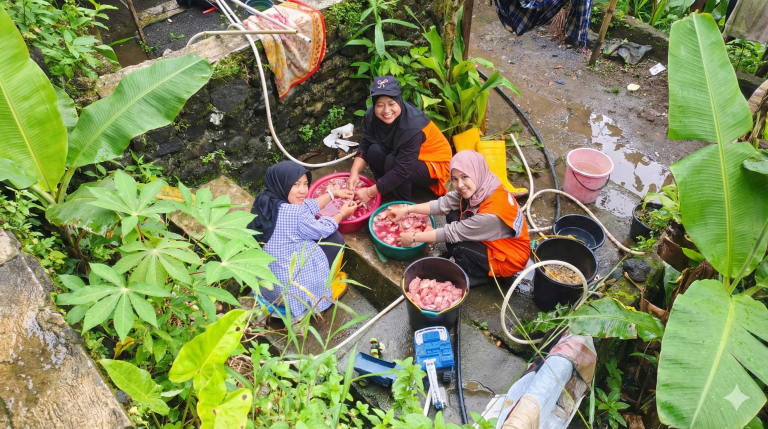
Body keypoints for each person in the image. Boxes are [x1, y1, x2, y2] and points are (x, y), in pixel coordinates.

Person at [387, 151, 531, 285]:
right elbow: (444, 203)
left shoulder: (492, 215)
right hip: (494, 239)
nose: (460, 185)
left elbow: (450, 233)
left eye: (464, 177)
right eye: (454, 179)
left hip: (509, 259)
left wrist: (413, 237)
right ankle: (473, 259)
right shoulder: (484, 184)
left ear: (475, 173)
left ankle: (478, 276)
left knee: (456, 245)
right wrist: (407, 209)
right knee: (453, 215)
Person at [248, 161, 357, 319]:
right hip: (291, 290)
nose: (303, 191)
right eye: (296, 184)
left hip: (267, 285)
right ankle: (322, 290)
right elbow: (323, 229)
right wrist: (342, 213)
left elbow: (305, 206)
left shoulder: (265, 198)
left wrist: (332, 194)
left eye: (305, 184)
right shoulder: (293, 213)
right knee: (335, 239)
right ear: (283, 183)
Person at [347, 76, 452, 202]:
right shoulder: (372, 116)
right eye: (380, 105)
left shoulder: (413, 126)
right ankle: (385, 189)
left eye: (391, 104)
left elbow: (402, 170)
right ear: (374, 104)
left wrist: (369, 192)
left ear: (399, 101)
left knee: (392, 162)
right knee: (374, 150)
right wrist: (354, 172)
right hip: (404, 155)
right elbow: (366, 143)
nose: (386, 111)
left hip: (434, 163)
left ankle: (402, 203)